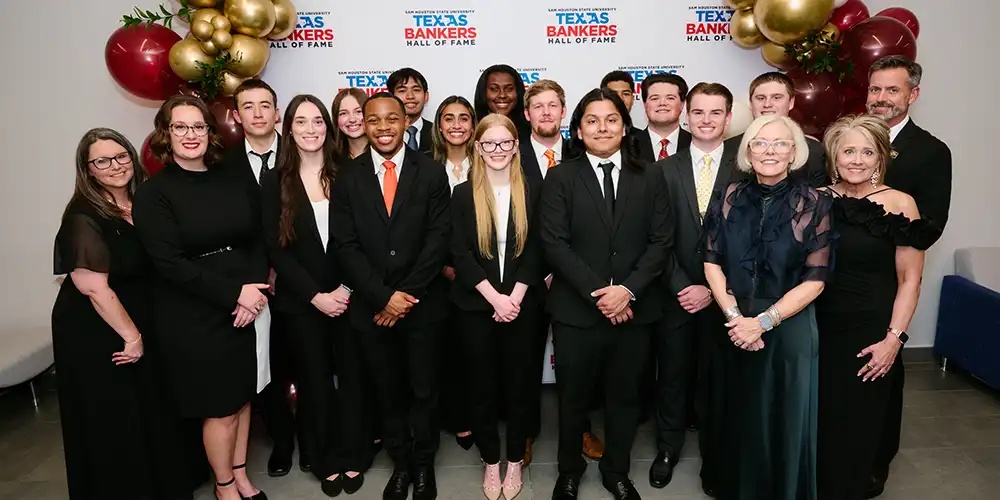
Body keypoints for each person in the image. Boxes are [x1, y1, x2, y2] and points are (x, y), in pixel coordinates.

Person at [133, 95, 270, 500]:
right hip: (194, 313)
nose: (190, 135)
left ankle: (242, 475)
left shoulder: (233, 178)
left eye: (198, 127)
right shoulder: (154, 193)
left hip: (247, 304)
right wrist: (234, 295)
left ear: (210, 133)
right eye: (180, 127)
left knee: (244, 398)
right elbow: (169, 263)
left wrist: (253, 292)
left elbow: (258, 238)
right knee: (220, 405)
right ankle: (224, 485)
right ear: (166, 134)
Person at [541, 88, 673, 500]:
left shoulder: (651, 175)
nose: (602, 127)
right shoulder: (561, 176)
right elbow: (555, 243)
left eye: (611, 119)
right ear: (578, 130)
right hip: (577, 311)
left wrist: (627, 291)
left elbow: (661, 240)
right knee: (573, 400)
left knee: (624, 397)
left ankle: (616, 471)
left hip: (634, 311)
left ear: (623, 126)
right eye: (592, 121)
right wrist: (602, 294)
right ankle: (569, 471)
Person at [51, 128, 194, 500]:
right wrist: (131, 337)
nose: (115, 166)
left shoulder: (142, 199)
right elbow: (93, 287)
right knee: (115, 418)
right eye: (102, 160)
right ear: (88, 170)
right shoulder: (83, 214)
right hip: (98, 328)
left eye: (121, 156)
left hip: (138, 315)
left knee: (148, 407)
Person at [702, 114, 834, 500]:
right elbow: (711, 262)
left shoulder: (815, 202)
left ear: (795, 152)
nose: (769, 151)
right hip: (734, 322)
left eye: (780, 143)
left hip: (788, 326)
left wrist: (763, 322)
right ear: (747, 152)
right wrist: (735, 318)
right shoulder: (728, 195)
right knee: (738, 414)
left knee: (784, 418)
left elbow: (816, 279)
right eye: (760, 143)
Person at [330, 92, 450, 500]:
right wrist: (383, 297)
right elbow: (344, 246)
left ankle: (424, 466)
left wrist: (404, 296)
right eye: (374, 120)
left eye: (391, 119)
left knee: (424, 389)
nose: (383, 127)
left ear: (405, 122)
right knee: (388, 391)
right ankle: (401, 464)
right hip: (372, 309)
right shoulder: (347, 176)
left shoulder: (431, 173)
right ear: (364, 124)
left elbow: (438, 242)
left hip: (422, 307)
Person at [261, 94, 371, 497]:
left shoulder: (351, 172)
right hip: (302, 303)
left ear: (329, 127)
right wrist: (315, 296)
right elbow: (275, 248)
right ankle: (324, 459)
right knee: (315, 383)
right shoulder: (274, 180)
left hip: (351, 295)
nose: (311, 129)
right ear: (287, 127)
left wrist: (345, 288)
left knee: (355, 380)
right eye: (301, 122)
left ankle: (354, 454)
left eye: (318, 121)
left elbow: (364, 238)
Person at [815, 114, 930, 500]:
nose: (857, 160)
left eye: (867, 152)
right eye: (848, 150)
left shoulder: (901, 204)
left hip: (872, 328)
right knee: (820, 416)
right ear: (834, 155)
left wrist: (893, 339)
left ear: (881, 157)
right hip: (817, 325)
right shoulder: (815, 199)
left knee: (860, 419)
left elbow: (909, 279)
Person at [650, 82, 738, 494]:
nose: (706, 120)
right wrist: (684, 285)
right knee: (671, 376)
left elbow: (752, 240)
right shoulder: (664, 169)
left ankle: (719, 453)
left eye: (715, 113)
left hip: (730, 298)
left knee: (720, 379)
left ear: (728, 117)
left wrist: (714, 288)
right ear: (686, 116)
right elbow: (654, 238)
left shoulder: (749, 165)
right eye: (698, 112)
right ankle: (666, 449)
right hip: (675, 294)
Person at [451, 113, 543, 500]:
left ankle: (515, 460)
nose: (498, 150)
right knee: (481, 387)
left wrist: (515, 298)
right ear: (478, 147)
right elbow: (459, 251)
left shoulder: (536, 189)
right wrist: (494, 298)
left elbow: (541, 247)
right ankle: (492, 461)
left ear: (515, 146)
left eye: (506, 143)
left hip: (524, 306)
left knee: (521, 387)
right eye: (489, 143)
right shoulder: (460, 193)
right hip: (477, 307)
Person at [518, 79, 606, 465]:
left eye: (553, 105)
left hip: (576, 281)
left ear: (564, 112)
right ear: (527, 114)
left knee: (577, 364)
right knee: (525, 360)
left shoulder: (584, 152)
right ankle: (524, 432)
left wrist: (568, 272)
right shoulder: (509, 154)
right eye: (538, 107)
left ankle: (581, 428)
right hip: (526, 280)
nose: (546, 113)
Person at [225, 78, 303, 478]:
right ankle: (283, 441)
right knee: (269, 369)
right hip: (251, 286)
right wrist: (257, 275)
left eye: (265, 105)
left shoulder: (303, 152)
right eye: (248, 106)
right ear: (237, 116)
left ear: (277, 112)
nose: (257, 113)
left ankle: (313, 435)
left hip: (300, 281)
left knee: (305, 362)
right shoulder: (222, 164)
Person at [429, 95, 477, 450]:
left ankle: (475, 415)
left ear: (474, 125)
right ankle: (456, 416)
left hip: (479, 274)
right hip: (434, 274)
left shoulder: (490, 160)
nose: (457, 124)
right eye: (449, 118)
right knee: (442, 350)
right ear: (439, 125)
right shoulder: (424, 165)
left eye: (464, 118)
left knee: (471, 350)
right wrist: (443, 267)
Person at [724, 72, 829, 187]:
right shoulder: (727, 149)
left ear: (791, 102)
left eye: (776, 97)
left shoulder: (814, 151)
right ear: (751, 103)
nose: (767, 104)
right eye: (760, 98)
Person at [633, 73, 692, 164]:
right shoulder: (628, 146)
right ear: (645, 105)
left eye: (670, 98)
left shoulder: (695, 144)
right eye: (654, 98)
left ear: (682, 104)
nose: (662, 103)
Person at [474, 64, 530, 134]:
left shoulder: (532, 133)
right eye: (494, 89)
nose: (502, 95)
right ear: (483, 92)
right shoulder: (472, 132)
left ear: (518, 92)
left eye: (509, 89)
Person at [388, 67, 433, 154]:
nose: (410, 96)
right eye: (402, 91)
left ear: (426, 96)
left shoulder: (438, 133)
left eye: (416, 90)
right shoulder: (383, 132)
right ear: (391, 97)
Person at [332, 87, 369, 161]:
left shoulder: (383, 155)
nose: (352, 119)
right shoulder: (331, 159)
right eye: (343, 113)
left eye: (358, 111)